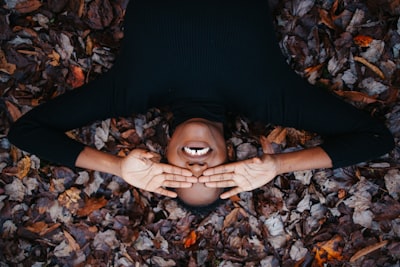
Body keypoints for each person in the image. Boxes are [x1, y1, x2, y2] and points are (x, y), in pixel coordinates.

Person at [7, 0, 395, 208]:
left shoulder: (128, 91)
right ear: (232, 155)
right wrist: (278, 165)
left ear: (162, 156)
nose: (195, 166)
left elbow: (27, 132)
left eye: (180, 175)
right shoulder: (270, 98)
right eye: (211, 177)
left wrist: (117, 168)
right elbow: (375, 138)